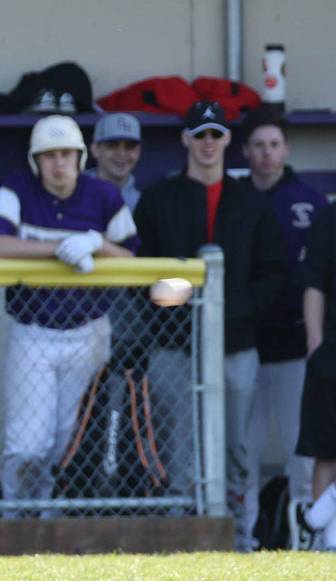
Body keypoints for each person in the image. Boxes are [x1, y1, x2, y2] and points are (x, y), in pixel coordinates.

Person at [134, 101, 284, 550]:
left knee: (238, 448)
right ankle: (184, 537)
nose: (207, 143)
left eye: (215, 135)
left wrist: (234, 310)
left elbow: (273, 272)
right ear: (185, 139)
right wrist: (173, 303)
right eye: (199, 134)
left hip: (236, 345)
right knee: (179, 447)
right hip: (173, 344)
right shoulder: (159, 198)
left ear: (226, 141)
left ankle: (240, 536)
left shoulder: (250, 202)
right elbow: (139, 273)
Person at [0, 114, 137, 517]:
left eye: (66, 154)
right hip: (33, 332)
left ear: (81, 156)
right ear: (36, 160)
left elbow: (135, 257)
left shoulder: (104, 195)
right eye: (48, 155)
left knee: (68, 441)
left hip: (89, 332)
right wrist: (57, 248)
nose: (58, 164)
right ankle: (14, 519)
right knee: (27, 444)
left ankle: (53, 522)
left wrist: (97, 244)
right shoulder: (16, 188)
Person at [238, 108, 327, 548]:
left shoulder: (310, 202)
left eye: (274, 145)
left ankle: (303, 531)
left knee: (301, 448)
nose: (267, 154)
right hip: (246, 345)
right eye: (258, 145)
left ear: (286, 149)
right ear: (246, 152)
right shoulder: (237, 200)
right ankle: (245, 534)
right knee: (245, 448)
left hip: (295, 347)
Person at [290, 204, 336, 551]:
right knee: (327, 449)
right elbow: (314, 285)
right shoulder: (330, 216)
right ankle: (319, 540)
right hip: (332, 354)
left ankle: (321, 521)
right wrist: (316, 346)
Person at [86, 112, 142, 211]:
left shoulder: (144, 203)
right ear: (95, 149)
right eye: (112, 145)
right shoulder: (73, 192)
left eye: (130, 146)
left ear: (138, 151)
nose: (122, 153)